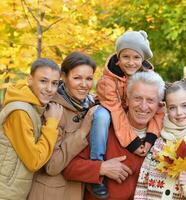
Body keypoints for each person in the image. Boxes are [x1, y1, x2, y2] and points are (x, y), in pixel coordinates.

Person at [28, 52, 131, 200]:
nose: (84, 85)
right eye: (77, 78)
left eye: (89, 78)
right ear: (63, 77)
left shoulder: (91, 106)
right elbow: (51, 166)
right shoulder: (53, 110)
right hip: (50, 194)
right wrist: (82, 131)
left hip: (77, 192)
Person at [63, 71, 165, 200]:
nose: (143, 106)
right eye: (137, 98)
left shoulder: (163, 137)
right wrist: (101, 168)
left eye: (150, 100)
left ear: (159, 105)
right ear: (127, 100)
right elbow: (68, 167)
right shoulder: (103, 128)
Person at [90, 30, 163, 198]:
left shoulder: (148, 77)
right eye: (126, 57)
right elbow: (116, 112)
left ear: (143, 59)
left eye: (136, 57)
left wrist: (150, 139)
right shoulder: (107, 82)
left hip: (128, 113)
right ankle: (97, 165)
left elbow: (159, 108)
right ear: (118, 56)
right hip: (110, 110)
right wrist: (133, 143)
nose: (131, 62)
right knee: (102, 116)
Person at [0, 58, 63, 199]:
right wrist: (52, 123)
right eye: (43, 81)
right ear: (29, 80)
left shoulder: (34, 107)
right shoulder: (20, 112)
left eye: (54, 83)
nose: (49, 88)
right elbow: (34, 161)